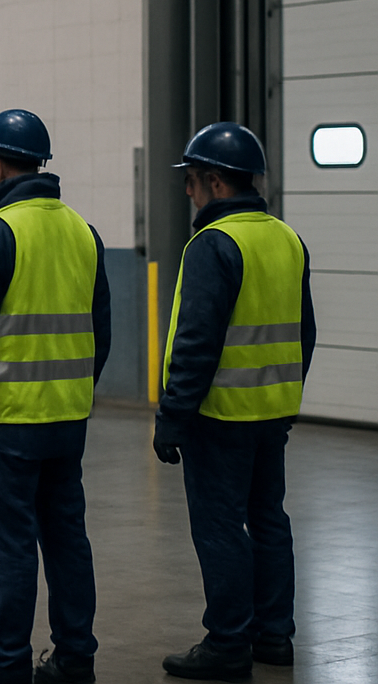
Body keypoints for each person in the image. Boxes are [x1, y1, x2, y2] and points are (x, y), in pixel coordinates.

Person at [0, 109, 111, 684]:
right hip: (67, 421)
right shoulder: (85, 233)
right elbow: (99, 333)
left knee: (7, 543)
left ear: (2, 163)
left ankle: (7, 664)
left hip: (6, 424)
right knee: (66, 539)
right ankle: (75, 657)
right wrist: (73, 390)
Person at [153, 122, 316, 681]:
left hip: (219, 416)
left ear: (217, 183)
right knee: (268, 519)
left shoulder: (214, 244)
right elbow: (305, 331)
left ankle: (227, 642)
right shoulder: (287, 238)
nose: (189, 194)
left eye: (192, 183)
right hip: (272, 412)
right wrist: (288, 396)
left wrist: (173, 417)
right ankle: (273, 635)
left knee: (220, 526)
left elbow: (196, 342)